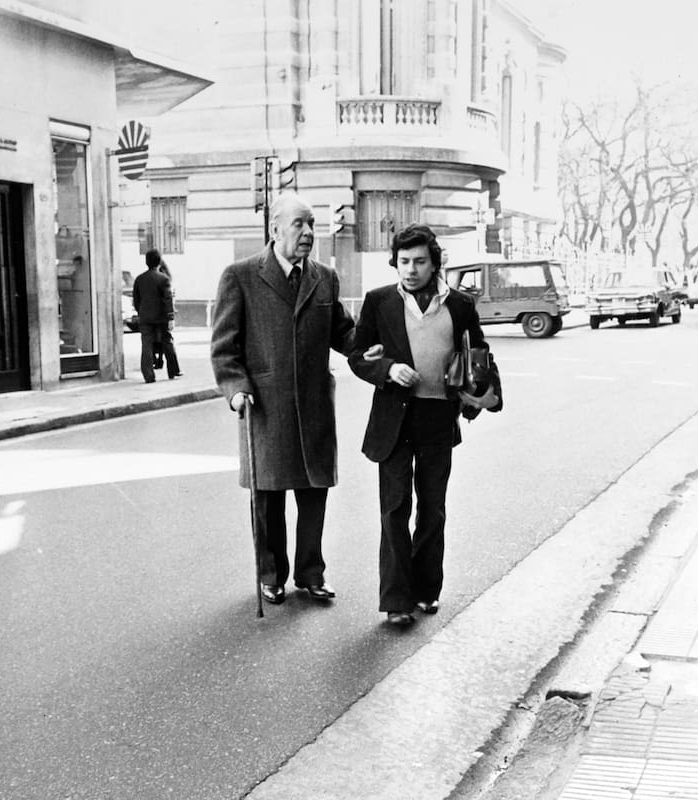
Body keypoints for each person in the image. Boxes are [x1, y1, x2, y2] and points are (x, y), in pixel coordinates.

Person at [348, 224, 502, 627]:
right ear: (395, 264)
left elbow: (479, 355)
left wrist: (481, 395)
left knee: (432, 510)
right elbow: (357, 355)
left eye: (419, 261)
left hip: (437, 418)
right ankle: (397, 600)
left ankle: (426, 590)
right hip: (394, 421)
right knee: (395, 509)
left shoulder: (461, 305)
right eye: (403, 262)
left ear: (435, 263)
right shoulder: (379, 301)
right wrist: (387, 368)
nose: (411, 269)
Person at [211, 193, 356, 606]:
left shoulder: (324, 277)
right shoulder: (240, 276)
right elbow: (225, 346)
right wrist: (235, 387)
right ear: (275, 229)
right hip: (265, 407)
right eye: (299, 224)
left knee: (314, 493)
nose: (308, 232)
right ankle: (270, 574)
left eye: (311, 224)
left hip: (313, 406)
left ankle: (311, 574)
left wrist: (369, 348)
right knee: (268, 498)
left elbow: (343, 333)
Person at [133, 248, 181, 382]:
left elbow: (136, 300)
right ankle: (173, 370)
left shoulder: (139, 279)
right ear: (159, 262)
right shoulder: (164, 279)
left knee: (146, 345)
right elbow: (168, 299)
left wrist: (141, 311)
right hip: (161, 317)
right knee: (167, 342)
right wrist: (170, 317)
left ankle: (148, 375)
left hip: (145, 317)